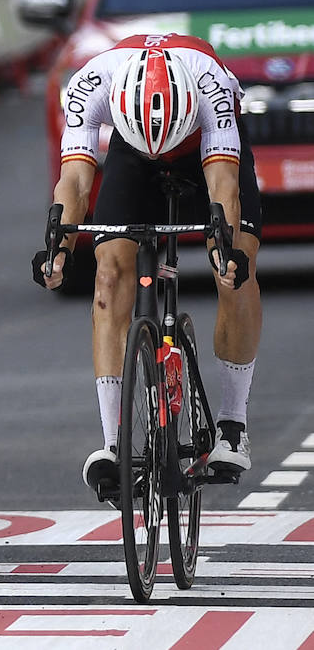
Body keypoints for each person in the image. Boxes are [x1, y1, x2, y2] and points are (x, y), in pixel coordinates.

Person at [34, 34, 260, 499]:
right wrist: (59, 245)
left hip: (202, 147)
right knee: (109, 272)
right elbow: (74, 181)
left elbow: (224, 186)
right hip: (131, 149)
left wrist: (224, 250)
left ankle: (233, 425)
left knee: (236, 266)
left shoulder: (211, 84)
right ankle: (114, 444)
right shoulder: (90, 84)